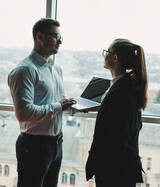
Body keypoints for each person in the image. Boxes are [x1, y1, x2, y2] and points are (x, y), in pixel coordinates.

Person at [8, 18, 76, 187]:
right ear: (40, 37)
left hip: (56, 145)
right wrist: (60, 105)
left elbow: (57, 105)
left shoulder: (56, 69)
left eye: (61, 37)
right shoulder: (25, 70)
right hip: (33, 147)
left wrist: (76, 107)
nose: (60, 42)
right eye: (56, 37)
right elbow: (23, 113)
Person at [85, 38, 148, 187]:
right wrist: (104, 109)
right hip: (123, 170)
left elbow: (118, 140)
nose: (104, 55)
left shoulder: (120, 93)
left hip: (114, 173)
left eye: (107, 52)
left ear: (115, 58)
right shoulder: (128, 87)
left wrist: (103, 172)